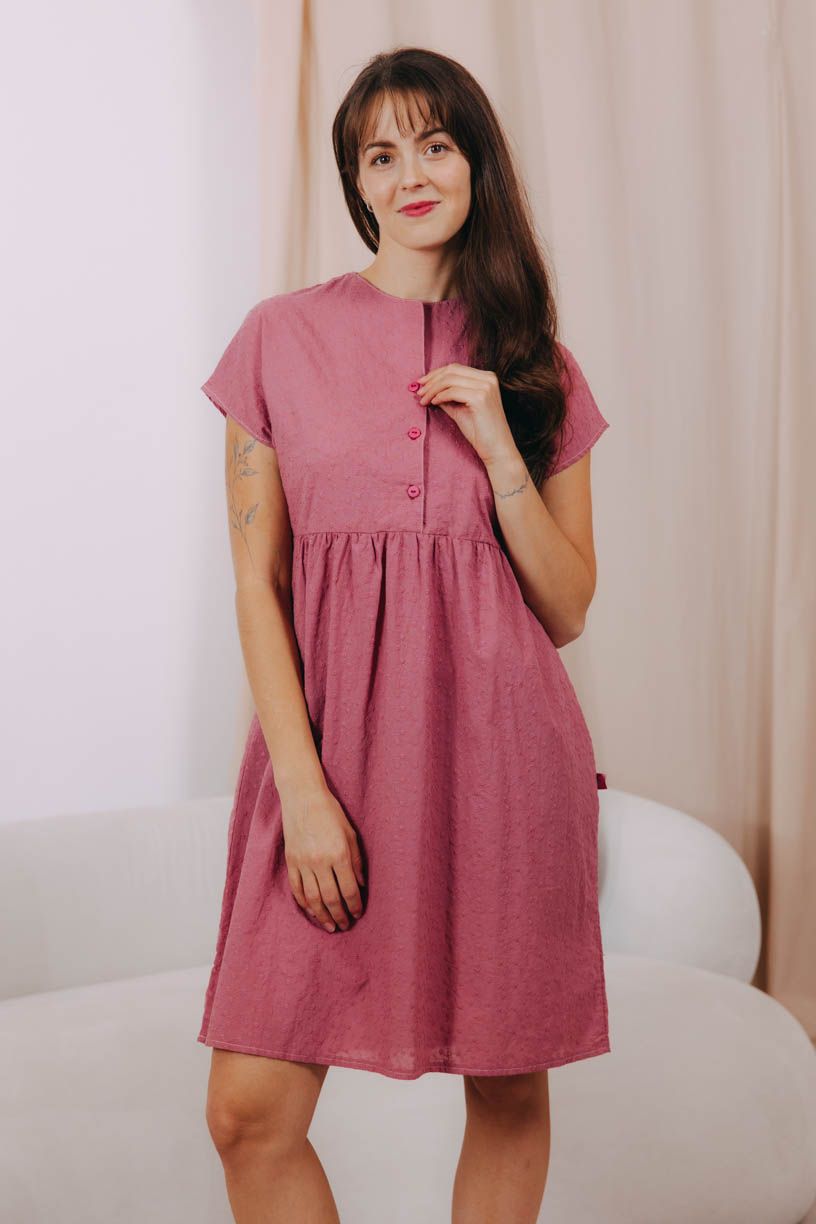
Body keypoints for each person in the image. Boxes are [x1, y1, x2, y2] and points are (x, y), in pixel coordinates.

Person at [199, 45, 611, 1224]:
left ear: (477, 162)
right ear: (356, 183)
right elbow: (256, 585)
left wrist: (499, 447)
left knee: (508, 1089)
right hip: (325, 760)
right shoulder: (277, 339)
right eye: (381, 155)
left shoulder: (536, 363)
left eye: (435, 144)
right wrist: (303, 790)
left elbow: (568, 606)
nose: (411, 174)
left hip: (502, 761)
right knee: (249, 1114)